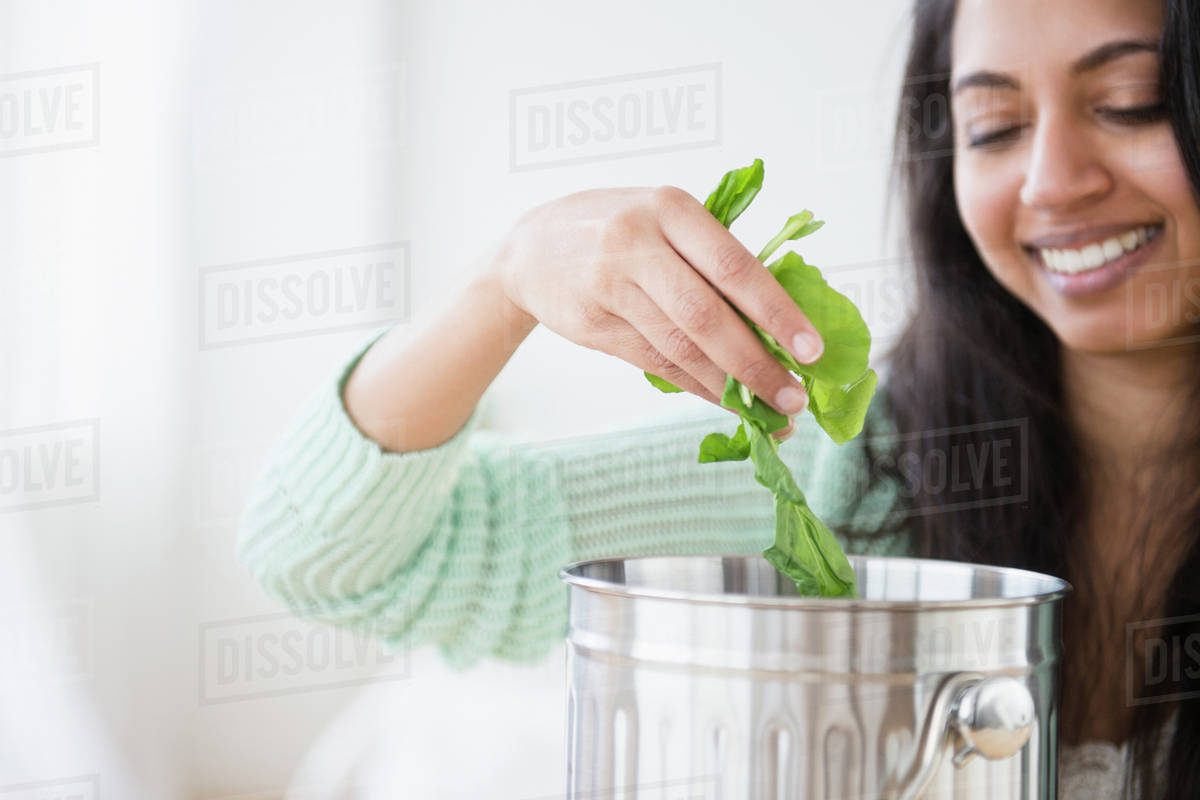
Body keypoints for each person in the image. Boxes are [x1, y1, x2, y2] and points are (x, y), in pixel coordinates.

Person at [237, 0, 1200, 795]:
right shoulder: (842, 478)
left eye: (1133, 102)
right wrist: (506, 276)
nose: (1052, 182)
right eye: (994, 129)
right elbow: (328, 558)